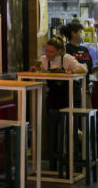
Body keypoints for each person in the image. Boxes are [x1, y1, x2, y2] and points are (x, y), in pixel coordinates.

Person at [35, 37, 86, 171]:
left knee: (70, 131)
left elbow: (83, 70)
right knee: (53, 131)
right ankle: (53, 163)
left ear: (59, 51)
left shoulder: (67, 58)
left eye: (51, 52)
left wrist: (71, 72)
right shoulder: (43, 60)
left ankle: (72, 162)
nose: (48, 54)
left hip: (69, 97)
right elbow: (37, 72)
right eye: (46, 51)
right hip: (54, 98)